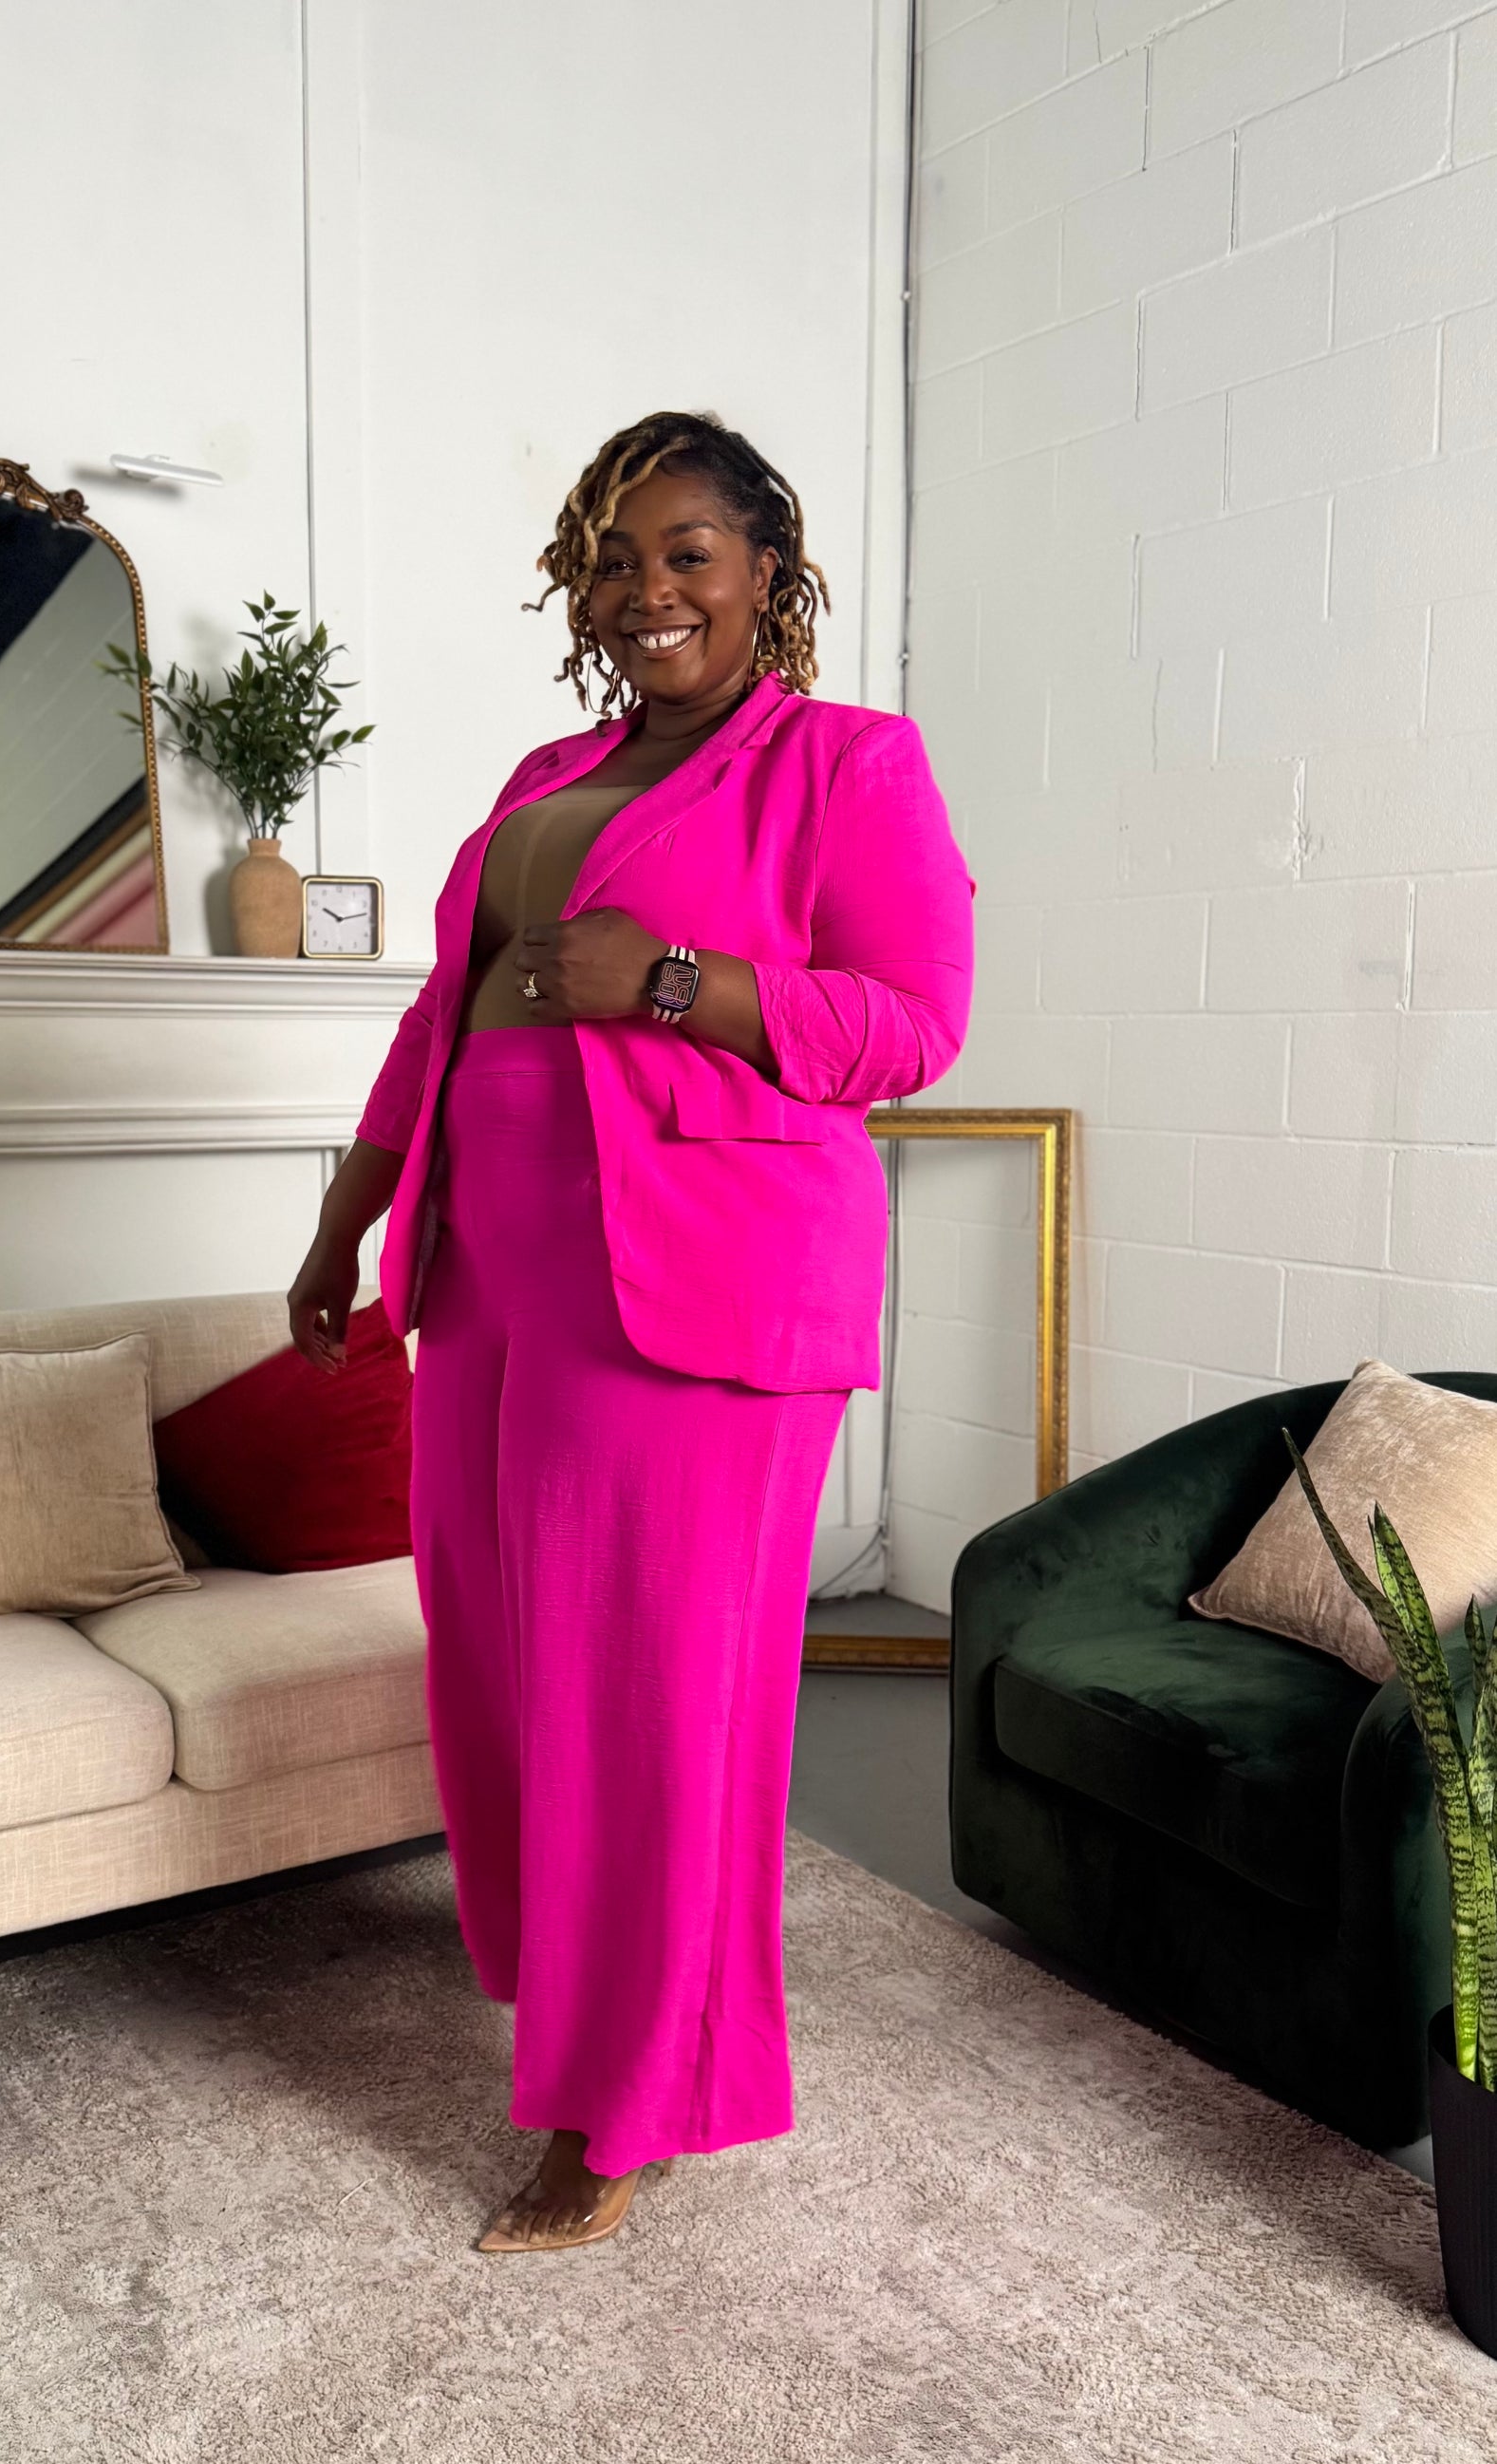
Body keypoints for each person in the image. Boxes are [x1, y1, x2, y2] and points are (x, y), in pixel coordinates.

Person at [287, 409, 973, 2253]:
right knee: (501, 1663)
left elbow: (913, 1022)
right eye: (612, 560)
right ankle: (576, 1998)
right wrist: (351, 1214)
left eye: (686, 552)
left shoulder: (845, 761)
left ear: (765, 571)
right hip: (487, 1268)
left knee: (647, 1696)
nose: (646, 589)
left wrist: (676, 983)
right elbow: (442, 1016)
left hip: (696, 1285)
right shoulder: (549, 770)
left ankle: (629, 2099)